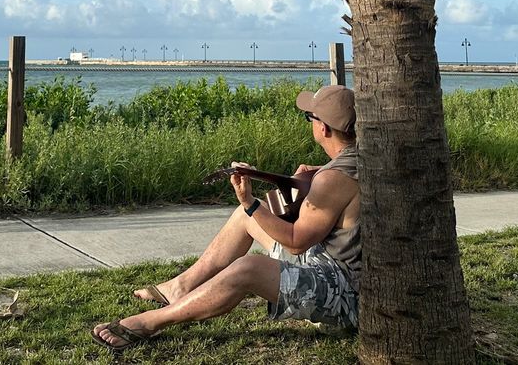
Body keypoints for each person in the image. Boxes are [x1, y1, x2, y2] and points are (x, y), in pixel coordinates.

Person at [92, 84, 360, 351]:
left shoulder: (333, 178)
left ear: (323, 128)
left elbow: (295, 242)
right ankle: (180, 287)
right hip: (339, 268)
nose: (309, 124)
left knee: (248, 268)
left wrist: (250, 202)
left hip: (343, 292)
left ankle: (150, 322)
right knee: (246, 219)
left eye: (309, 118)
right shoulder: (367, 158)